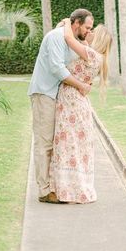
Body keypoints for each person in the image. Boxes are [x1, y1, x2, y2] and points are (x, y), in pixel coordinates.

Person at [28, 9, 94, 204]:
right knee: (44, 142)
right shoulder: (56, 37)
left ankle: (55, 186)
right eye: (87, 27)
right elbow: (57, 68)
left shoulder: (70, 39)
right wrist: (81, 86)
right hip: (44, 93)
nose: (89, 31)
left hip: (56, 96)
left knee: (56, 143)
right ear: (76, 24)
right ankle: (44, 190)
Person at [49, 17, 112, 204]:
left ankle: (68, 190)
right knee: (74, 145)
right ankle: (74, 188)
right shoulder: (96, 57)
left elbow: (69, 39)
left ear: (98, 39)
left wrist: (67, 22)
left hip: (72, 103)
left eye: (93, 32)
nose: (89, 33)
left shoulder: (90, 55)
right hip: (77, 102)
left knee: (67, 144)